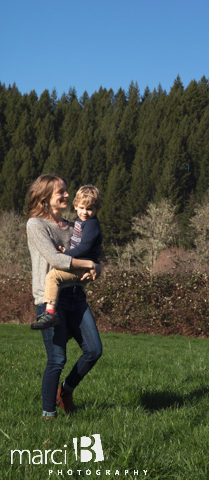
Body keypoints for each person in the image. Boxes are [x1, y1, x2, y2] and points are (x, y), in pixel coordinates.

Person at [25, 175, 102, 420]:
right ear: (46, 198)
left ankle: (65, 391)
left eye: (67, 191)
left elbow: (92, 256)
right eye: (62, 192)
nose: (67, 196)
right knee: (57, 359)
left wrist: (97, 268)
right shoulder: (36, 225)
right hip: (50, 301)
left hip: (77, 297)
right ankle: (48, 414)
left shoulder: (74, 225)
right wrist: (88, 263)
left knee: (94, 350)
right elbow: (57, 260)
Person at [32, 185, 103, 330]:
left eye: (90, 209)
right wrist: (68, 249)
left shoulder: (91, 225)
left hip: (83, 267)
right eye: (82, 207)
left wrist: (65, 254)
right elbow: (78, 245)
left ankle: (50, 313)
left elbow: (84, 247)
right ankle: (68, 328)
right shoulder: (80, 223)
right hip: (83, 265)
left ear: (96, 209)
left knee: (52, 276)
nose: (85, 212)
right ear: (76, 206)